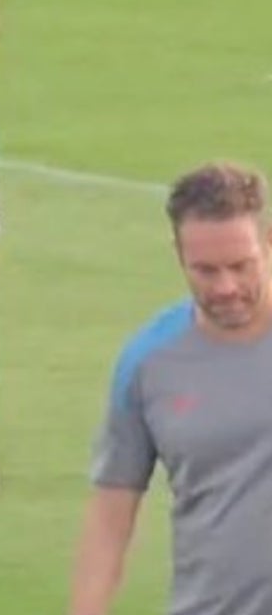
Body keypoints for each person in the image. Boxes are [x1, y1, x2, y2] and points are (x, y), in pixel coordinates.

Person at [67, 161, 272, 615]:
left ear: (269, 244)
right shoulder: (149, 361)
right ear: (179, 256)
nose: (226, 287)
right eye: (206, 270)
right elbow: (110, 514)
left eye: (242, 266)